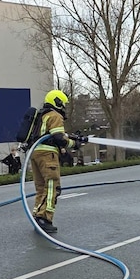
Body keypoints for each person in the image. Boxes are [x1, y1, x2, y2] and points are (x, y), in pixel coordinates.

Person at [22, 89, 87, 234]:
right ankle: (43, 217)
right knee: (52, 186)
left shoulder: (41, 116)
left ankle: (37, 216)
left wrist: (74, 138)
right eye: (63, 104)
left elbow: (52, 134)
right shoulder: (55, 115)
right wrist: (74, 144)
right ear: (57, 102)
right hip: (47, 154)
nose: (64, 107)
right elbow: (59, 138)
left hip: (35, 153)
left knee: (41, 187)